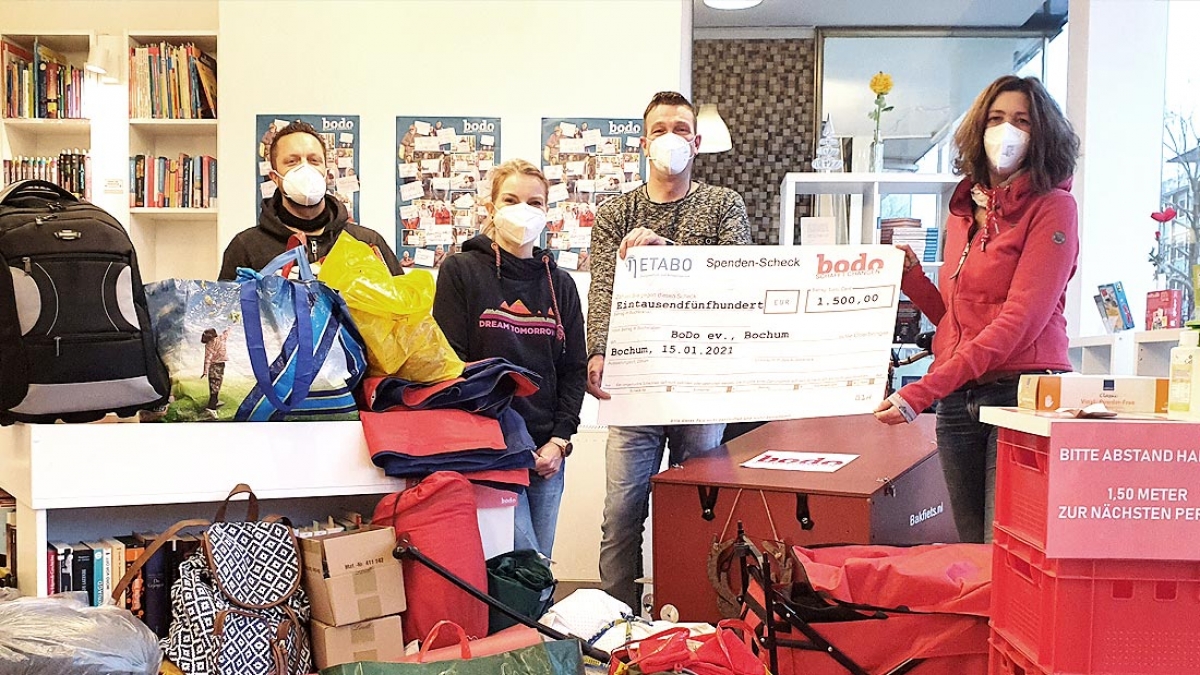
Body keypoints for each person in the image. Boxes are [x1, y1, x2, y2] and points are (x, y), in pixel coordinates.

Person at [873, 75, 1079, 544]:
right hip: (957, 401)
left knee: (1002, 549)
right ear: (978, 129)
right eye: (996, 119)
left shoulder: (1053, 208)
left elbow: (1019, 322)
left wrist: (922, 391)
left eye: (1023, 121)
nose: (1007, 131)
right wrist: (911, 279)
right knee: (972, 547)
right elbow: (956, 319)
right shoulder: (964, 211)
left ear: (1043, 134)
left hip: (1020, 395)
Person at [587, 91, 751, 610]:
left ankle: (697, 616)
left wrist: (670, 255)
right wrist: (596, 352)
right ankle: (616, 623)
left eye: (680, 129)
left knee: (698, 510)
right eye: (659, 130)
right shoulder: (616, 212)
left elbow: (737, 278)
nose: (670, 139)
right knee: (621, 513)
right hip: (634, 380)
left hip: (701, 382)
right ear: (643, 143)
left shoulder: (724, 205)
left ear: (696, 142)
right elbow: (603, 287)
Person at [433, 159, 587, 558]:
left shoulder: (561, 284)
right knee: (524, 567)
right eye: (511, 199)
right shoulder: (461, 271)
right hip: (490, 449)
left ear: (547, 212)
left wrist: (559, 441)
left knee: (537, 562)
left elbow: (573, 370)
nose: (523, 210)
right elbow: (452, 363)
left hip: (548, 454)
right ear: (491, 207)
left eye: (535, 203)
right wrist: (504, 443)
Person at [220, 120, 401, 280]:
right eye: (292, 161)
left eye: (314, 160)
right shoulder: (246, 247)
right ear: (274, 177)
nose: (305, 169)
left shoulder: (366, 241)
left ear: (326, 172)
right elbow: (225, 307)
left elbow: (403, 304)